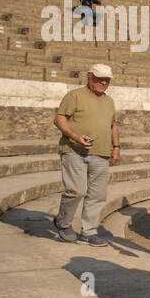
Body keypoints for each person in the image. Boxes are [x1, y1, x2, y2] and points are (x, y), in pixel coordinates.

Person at [52, 64, 119, 246]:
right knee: (76, 190)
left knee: (97, 195)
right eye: (99, 79)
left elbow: (113, 125)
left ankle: (88, 232)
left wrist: (116, 146)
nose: (103, 82)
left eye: (107, 80)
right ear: (89, 77)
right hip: (74, 150)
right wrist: (74, 136)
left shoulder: (109, 101)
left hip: (101, 152)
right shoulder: (75, 96)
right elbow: (59, 118)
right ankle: (63, 222)